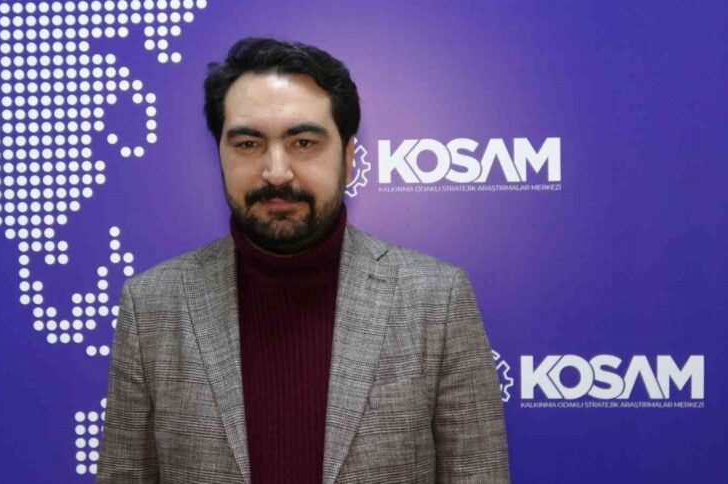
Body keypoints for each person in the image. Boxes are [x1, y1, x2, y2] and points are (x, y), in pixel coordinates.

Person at [96, 37, 509, 483]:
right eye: (248, 144)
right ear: (219, 155)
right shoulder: (151, 306)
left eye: (304, 142)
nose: (276, 172)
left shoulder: (437, 300)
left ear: (348, 157)